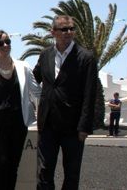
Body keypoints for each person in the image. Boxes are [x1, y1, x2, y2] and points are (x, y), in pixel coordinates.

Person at [33, 15, 98, 190]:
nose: (69, 32)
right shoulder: (45, 55)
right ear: (53, 32)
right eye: (64, 29)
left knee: (71, 173)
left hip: (73, 127)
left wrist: (84, 126)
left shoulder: (86, 57)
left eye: (71, 29)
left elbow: (89, 94)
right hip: (47, 125)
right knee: (44, 172)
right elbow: (32, 80)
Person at [0, 30, 41, 190]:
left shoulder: (23, 67)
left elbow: (37, 91)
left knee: (13, 165)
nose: (5, 45)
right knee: (0, 163)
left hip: (18, 124)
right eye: (1, 43)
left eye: (8, 42)